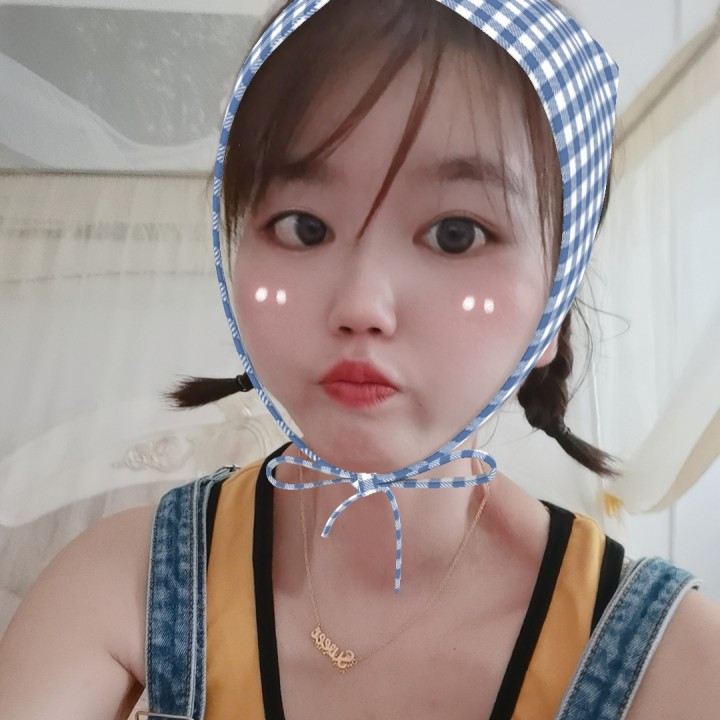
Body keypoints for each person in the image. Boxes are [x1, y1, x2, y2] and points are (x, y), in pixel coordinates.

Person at [1, 1, 719, 719]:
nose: (361, 304)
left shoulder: (675, 661)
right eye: (304, 226)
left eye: (457, 233)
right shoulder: (121, 587)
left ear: (554, 310)